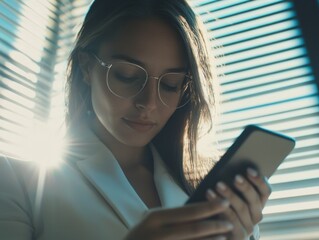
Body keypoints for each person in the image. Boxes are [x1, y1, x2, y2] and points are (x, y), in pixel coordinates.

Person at [0, 0, 271, 239]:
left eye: (171, 84)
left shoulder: (211, 192)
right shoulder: (18, 182)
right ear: (85, 66)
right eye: (127, 76)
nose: (149, 103)